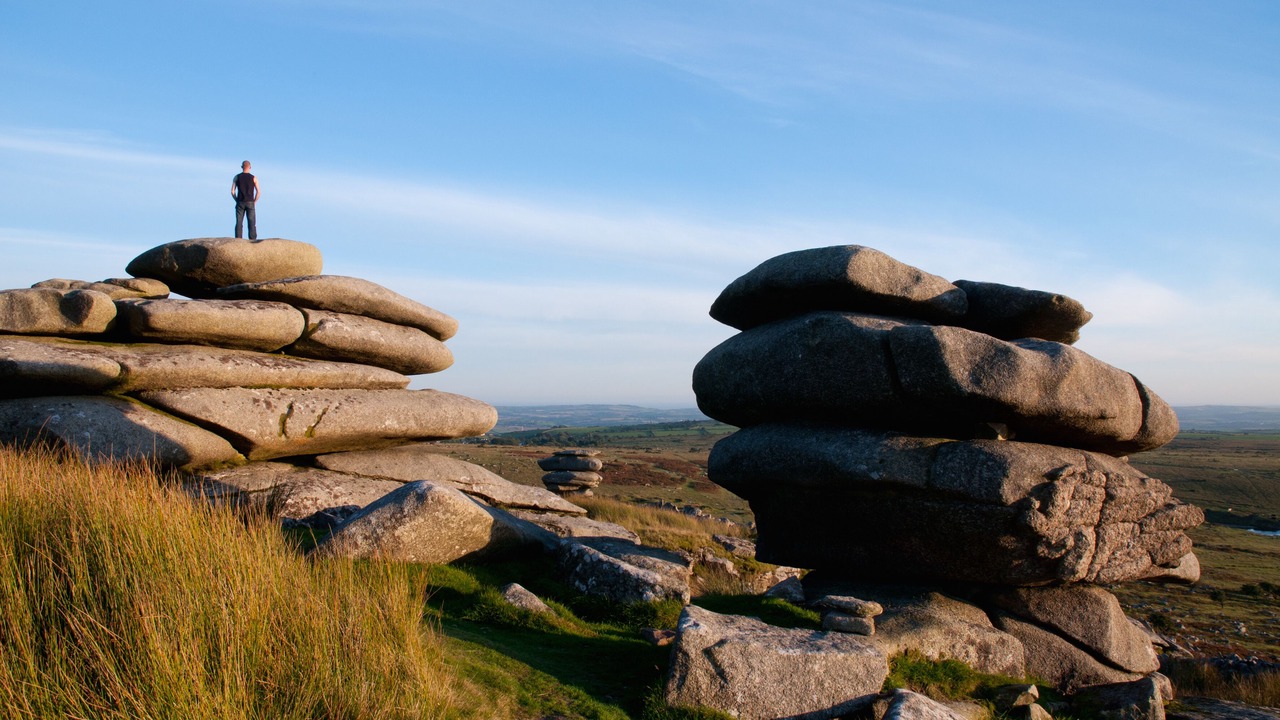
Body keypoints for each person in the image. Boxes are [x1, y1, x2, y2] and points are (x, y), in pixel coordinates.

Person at [231, 161, 261, 239]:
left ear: (242, 167)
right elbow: (258, 192)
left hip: (240, 201)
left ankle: (238, 239)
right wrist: (255, 201)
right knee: (252, 222)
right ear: (250, 167)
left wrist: (236, 200)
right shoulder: (253, 178)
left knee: (239, 222)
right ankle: (253, 239)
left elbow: (232, 191)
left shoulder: (237, 177)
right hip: (250, 202)